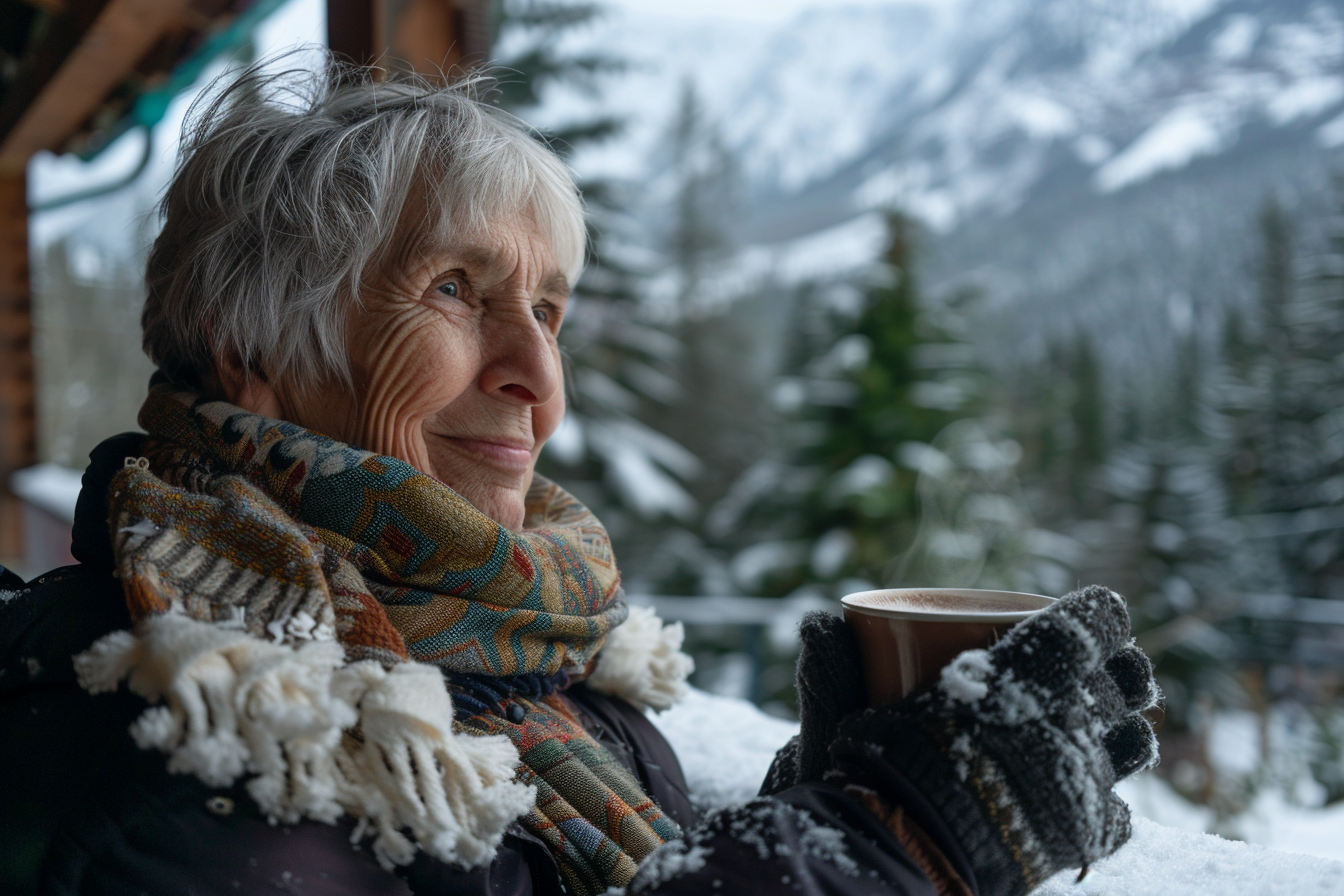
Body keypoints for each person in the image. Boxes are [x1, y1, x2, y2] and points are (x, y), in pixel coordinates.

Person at [0, 57, 1159, 896]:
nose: (534, 374)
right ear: (246, 346)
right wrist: (894, 842)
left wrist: (824, 796)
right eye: (455, 287)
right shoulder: (194, 756)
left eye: (548, 309)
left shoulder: (528, 658)